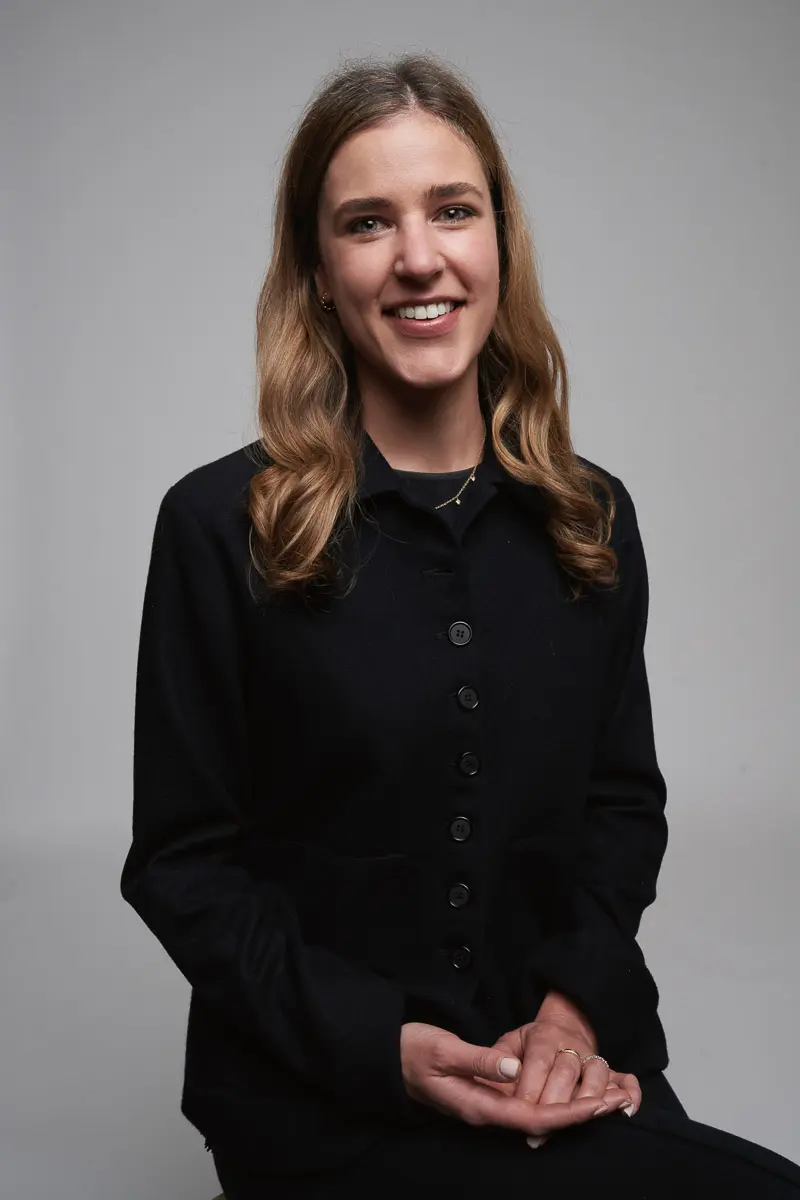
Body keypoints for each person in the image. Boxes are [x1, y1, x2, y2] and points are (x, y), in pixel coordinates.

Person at [120, 52, 800, 1198]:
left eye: (451, 209)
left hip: (553, 1051)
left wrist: (569, 1016)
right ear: (318, 273)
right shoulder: (212, 526)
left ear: (498, 242)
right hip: (325, 1086)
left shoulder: (592, 517)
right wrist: (382, 1045)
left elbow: (621, 807)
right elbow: (184, 867)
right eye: (366, 223)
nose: (418, 257)